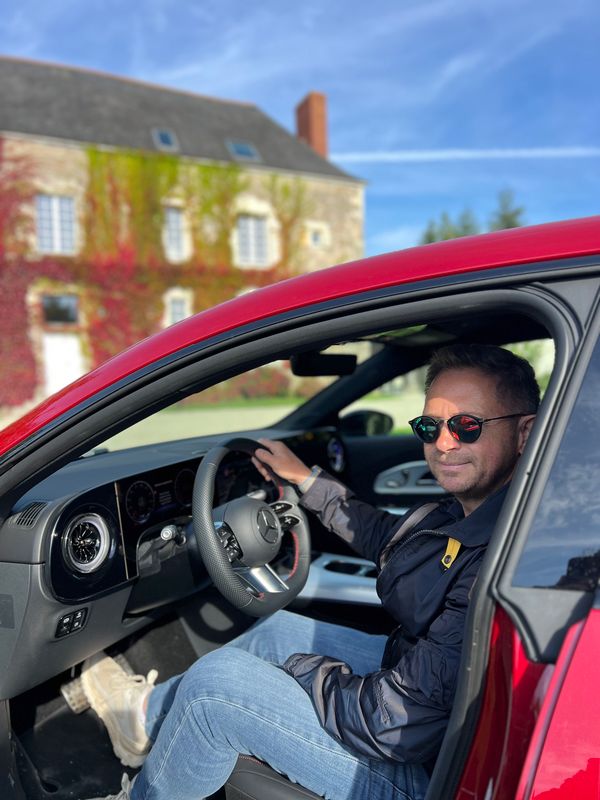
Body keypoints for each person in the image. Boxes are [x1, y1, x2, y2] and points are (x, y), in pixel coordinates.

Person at [83, 343, 539, 800]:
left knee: (212, 688)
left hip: (435, 777)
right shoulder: (483, 513)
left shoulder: (496, 558)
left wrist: (304, 669)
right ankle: (141, 720)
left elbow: (392, 722)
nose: (443, 443)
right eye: (429, 426)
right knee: (275, 630)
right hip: (441, 718)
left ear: (525, 432)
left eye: (467, 426)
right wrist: (306, 480)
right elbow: (392, 540)